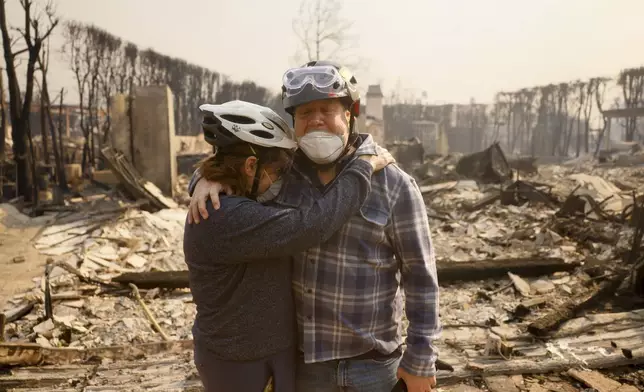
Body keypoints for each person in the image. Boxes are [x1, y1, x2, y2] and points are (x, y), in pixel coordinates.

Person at [188, 62, 441, 392]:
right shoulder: (282, 178)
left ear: (349, 114)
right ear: (294, 123)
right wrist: (206, 178)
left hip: (374, 367)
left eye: (326, 109)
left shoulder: (393, 184)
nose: (316, 120)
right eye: (305, 113)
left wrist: (421, 359)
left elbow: (421, 278)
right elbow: (240, 173)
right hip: (306, 370)